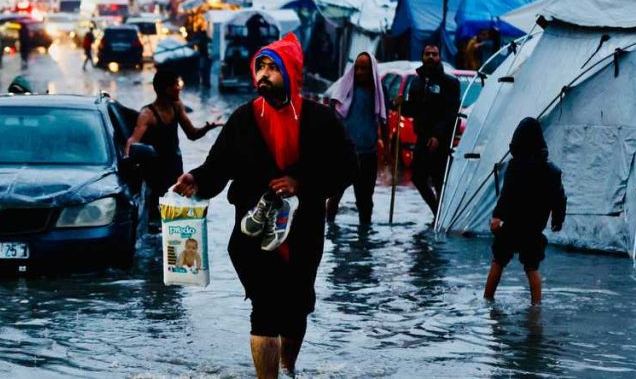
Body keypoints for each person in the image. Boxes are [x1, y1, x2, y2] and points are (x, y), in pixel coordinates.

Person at [172, 34, 357, 379]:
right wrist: (195, 178)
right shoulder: (243, 118)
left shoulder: (321, 119)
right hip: (252, 231)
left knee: (297, 308)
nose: (264, 74)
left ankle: (289, 369)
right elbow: (218, 165)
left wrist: (301, 182)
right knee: (266, 309)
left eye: (273, 67)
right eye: (261, 67)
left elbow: (348, 167)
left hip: (303, 231)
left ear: (291, 72)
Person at [484, 117, 566, 305]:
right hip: (534, 228)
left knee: (498, 261)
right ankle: (536, 309)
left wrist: (497, 216)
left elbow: (506, 196)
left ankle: (487, 300)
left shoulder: (515, 167)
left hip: (511, 226)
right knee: (532, 268)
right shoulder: (552, 173)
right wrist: (557, 219)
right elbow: (559, 199)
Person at [125, 70, 220, 231]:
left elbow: (192, 134)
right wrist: (127, 159)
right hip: (155, 174)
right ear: (166, 89)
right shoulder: (147, 114)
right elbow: (132, 141)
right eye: (176, 84)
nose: (179, 88)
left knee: (177, 218)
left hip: (175, 171)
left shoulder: (177, 107)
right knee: (155, 220)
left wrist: (208, 127)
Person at [326, 52, 387, 225]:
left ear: (371, 71)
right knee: (334, 195)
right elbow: (332, 116)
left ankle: (364, 234)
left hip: (368, 153)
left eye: (364, 69)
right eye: (357, 68)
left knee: (365, 200)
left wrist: (387, 150)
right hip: (344, 153)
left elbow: (384, 120)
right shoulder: (345, 91)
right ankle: (329, 228)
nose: (359, 72)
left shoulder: (379, 92)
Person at [402, 44, 461, 219]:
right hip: (422, 137)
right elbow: (412, 110)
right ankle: (437, 212)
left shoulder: (450, 83)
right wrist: (401, 105)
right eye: (427, 54)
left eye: (434, 54)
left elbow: (450, 113)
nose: (430, 57)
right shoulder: (417, 82)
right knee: (417, 177)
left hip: (441, 139)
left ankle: (444, 216)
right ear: (422, 57)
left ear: (439, 57)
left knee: (438, 179)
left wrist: (437, 136)